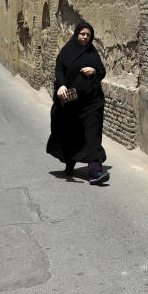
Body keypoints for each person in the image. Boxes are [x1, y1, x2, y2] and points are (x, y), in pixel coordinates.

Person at [46, 21, 109, 184]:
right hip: (72, 104)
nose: (85, 37)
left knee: (93, 134)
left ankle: (95, 172)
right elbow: (59, 70)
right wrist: (61, 86)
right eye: (82, 34)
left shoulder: (93, 53)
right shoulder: (67, 51)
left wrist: (94, 70)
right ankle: (70, 162)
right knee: (72, 134)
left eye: (88, 35)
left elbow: (102, 72)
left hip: (92, 102)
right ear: (76, 34)